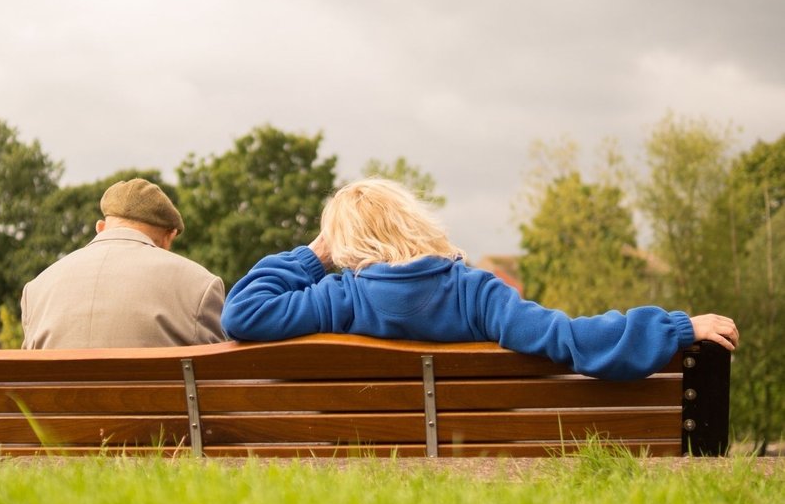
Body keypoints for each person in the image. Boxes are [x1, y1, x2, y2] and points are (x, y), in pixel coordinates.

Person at [220, 178, 738, 380]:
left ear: (346, 245)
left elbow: (242, 312)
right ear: (414, 222)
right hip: (474, 448)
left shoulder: (337, 297)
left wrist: (314, 256)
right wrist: (674, 328)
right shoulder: (476, 292)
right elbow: (567, 338)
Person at [22, 178, 225, 348]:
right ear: (168, 236)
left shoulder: (36, 289)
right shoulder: (200, 285)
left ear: (100, 227)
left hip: (55, 398)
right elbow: (217, 379)